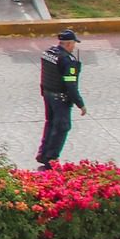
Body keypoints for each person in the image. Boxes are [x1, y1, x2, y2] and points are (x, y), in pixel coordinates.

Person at [35, 28, 87, 168]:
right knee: (62, 127)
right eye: (73, 44)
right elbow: (70, 84)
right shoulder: (68, 61)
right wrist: (80, 104)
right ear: (69, 44)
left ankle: (43, 153)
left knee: (50, 123)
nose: (74, 47)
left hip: (47, 94)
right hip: (60, 98)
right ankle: (51, 158)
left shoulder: (48, 53)